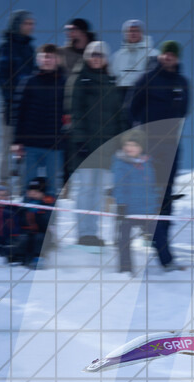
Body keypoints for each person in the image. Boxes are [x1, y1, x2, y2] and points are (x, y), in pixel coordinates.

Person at [127, 40, 190, 268]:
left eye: (172, 54)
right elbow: (131, 110)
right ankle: (158, 249)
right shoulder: (146, 79)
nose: (168, 57)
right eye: (165, 54)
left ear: (177, 57)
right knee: (147, 197)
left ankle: (162, 246)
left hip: (171, 147)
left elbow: (184, 111)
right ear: (161, 55)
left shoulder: (182, 83)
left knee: (166, 198)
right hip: (147, 146)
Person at [66, 41, 124, 248]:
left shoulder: (111, 82)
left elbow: (118, 115)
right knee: (86, 190)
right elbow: (75, 113)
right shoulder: (80, 80)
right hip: (85, 146)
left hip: (106, 147)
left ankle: (94, 232)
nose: (96, 58)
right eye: (93, 54)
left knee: (99, 192)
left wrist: (120, 141)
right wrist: (80, 140)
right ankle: (84, 233)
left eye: (100, 55)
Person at [12, 44, 66, 196]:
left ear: (58, 60)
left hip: (55, 146)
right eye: (45, 56)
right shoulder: (28, 82)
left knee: (52, 190)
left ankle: (49, 220)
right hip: (30, 144)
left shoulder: (65, 84)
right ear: (38, 59)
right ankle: (24, 219)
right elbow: (18, 113)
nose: (48, 60)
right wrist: (16, 142)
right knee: (26, 187)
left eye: (52, 57)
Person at [112, 129, 165, 274]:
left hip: (146, 210)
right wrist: (121, 205)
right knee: (124, 240)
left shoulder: (147, 163)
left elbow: (151, 187)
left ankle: (167, 262)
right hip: (127, 210)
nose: (129, 148)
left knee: (159, 236)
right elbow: (119, 186)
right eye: (127, 145)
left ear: (141, 147)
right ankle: (125, 268)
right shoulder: (120, 164)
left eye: (133, 145)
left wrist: (156, 204)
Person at [0, 10, 36, 186]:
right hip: (10, 107)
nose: (30, 27)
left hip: (28, 108)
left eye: (32, 23)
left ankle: (22, 186)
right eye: (27, 23)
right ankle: (2, 186)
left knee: (25, 148)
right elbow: (1, 77)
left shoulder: (30, 49)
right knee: (5, 147)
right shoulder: (6, 47)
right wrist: (12, 99)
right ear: (17, 24)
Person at [111, 20, 158, 100]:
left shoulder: (153, 54)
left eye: (136, 30)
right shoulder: (117, 56)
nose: (133, 33)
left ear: (142, 33)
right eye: (130, 31)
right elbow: (113, 77)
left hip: (144, 97)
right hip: (121, 98)